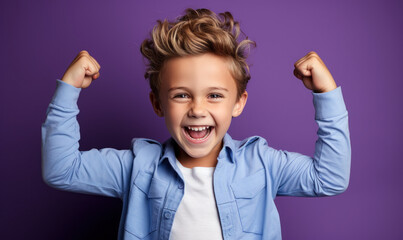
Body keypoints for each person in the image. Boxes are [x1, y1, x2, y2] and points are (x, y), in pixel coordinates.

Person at [41, 8, 351, 240]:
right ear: (157, 104)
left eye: (215, 95)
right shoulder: (136, 167)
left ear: (239, 103)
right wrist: (68, 91)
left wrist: (326, 94)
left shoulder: (262, 164)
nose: (197, 109)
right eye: (181, 96)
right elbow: (61, 170)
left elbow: (329, 179)